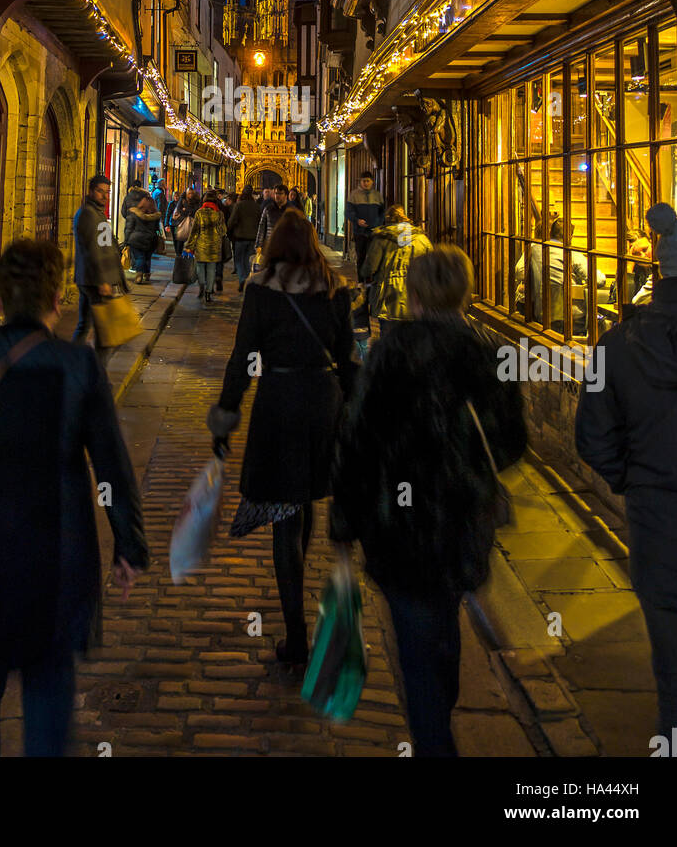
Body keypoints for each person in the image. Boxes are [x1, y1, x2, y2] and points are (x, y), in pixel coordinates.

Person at [0, 238, 148, 757]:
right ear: (56, 299)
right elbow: (110, 467)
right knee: (46, 685)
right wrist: (128, 546)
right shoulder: (78, 366)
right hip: (55, 553)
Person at [330, 245, 527, 756]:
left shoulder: (390, 354)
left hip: (399, 527)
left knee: (419, 643)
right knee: (441, 628)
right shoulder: (481, 351)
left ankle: (435, 738)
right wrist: (468, 467)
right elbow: (511, 440)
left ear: (413, 295)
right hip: (461, 521)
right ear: (462, 292)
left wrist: (345, 521)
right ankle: (438, 723)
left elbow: (357, 441)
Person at [208, 210, 358, 665]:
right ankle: (298, 614)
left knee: (285, 513)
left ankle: (296, 635)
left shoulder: (261, 289)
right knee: (306, 498)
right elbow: (347, 356)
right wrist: (353, 410)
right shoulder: (334, 289)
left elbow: (242, 357)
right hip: (322, 401)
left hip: (278, 400)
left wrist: (226, 414)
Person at [576, 202, 677, 747]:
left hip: (657, 521)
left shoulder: (617, 344)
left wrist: (636, 480)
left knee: (675, 679)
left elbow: (593, 439)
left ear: (659, 269)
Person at [72, 174, 127, 373]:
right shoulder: (88, 214)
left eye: (107, 192)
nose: (104, 196)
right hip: (94, 281)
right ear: (91, 191)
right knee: (105, 332)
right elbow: (92, 250)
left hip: (91, 279)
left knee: (84, 325)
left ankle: (74, 364)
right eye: (100, 191)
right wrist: (103, 281)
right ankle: (97, 375)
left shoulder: (97, 213)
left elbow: (104, 245)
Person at [515, 218, 604, 331]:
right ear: (570, 237)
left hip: (541, 314)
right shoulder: (570, 253)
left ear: (551, 232)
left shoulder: (534, 250)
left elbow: (519, 271)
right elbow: (599, 280)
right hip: (569, 316)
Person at [363, 205, 433, 331]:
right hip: (414, 297)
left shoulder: (382, 239)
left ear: (388, 219)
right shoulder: (422, 240)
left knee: (388, 339)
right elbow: (431, 267)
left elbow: (369, 267)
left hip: (387, 298)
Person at [185, 189, 227, 303]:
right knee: (211, 269)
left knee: (200, 267)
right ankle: (209, 292)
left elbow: (194, 231)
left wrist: (189, 245)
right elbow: (223, 231)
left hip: (201, 245)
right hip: (214, 246)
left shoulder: (199, 213)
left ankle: (202, 285)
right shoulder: (219, 214)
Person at [345, 173, 385, 278]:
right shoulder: (354, 195)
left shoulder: (377, 195)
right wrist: (357, 220)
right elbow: (348, 212)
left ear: (372, 181)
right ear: (360, 181)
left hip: (374, 232)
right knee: (361, 257)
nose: (366, 183)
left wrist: (378, 224)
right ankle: (361, 281)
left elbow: (382, 213)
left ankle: (372, 280)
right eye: (364, 181)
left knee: (374, 256)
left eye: (368, 181)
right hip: (360, 232)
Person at [227, 184, 261, 292]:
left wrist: (229, 230)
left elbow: (232, 221)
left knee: (238, 260)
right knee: (247, 259)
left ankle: (243, 278)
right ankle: (247, 278)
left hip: (240, 236)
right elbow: (260, 222)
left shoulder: (239, 205)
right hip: (252, 237)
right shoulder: (256, 206)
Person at [123, 191, 163, 284]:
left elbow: (129, 227)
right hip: (151, 239)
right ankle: (147, 274)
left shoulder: (134, 213)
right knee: (147, 257)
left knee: (139, 257)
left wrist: (126, 240)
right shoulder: (155, 216)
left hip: (136, 239)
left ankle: (139, 275)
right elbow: (157, 228)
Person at [255, 184, 289, 254]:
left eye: (280, 193)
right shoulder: (268, 209)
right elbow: (262, 227)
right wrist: (258, 245)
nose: (277, 195)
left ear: (286, 195)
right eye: (276, 193)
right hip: (270, 246)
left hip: (286, 247)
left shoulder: (291, 210)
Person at [170, 188, 200, 258]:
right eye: (189, 193)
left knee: (191, 240)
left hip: (192, 222)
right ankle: (179, 255)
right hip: (182, 222)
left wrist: (185, 210)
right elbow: (178, 211)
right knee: (180, 239)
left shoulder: (196, 201)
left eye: (192, 193)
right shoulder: (182, 200)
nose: (190, 195)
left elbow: (195, 211)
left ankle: (189, 255)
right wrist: (186, 211)